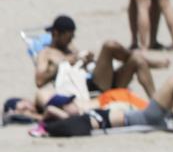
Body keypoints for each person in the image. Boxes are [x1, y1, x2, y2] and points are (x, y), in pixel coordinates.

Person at [32, 14, 163, 101]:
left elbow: (81, 65)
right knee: (109, 46)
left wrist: (86, 60)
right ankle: (148, 61)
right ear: (56, 33)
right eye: (69, 36)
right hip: (87, 88)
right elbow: (39, 81)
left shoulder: (69, 47)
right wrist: (64, 62)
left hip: (99, 80)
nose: (72, 40)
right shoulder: (46, 53)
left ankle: (157, 104)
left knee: (137, 61)